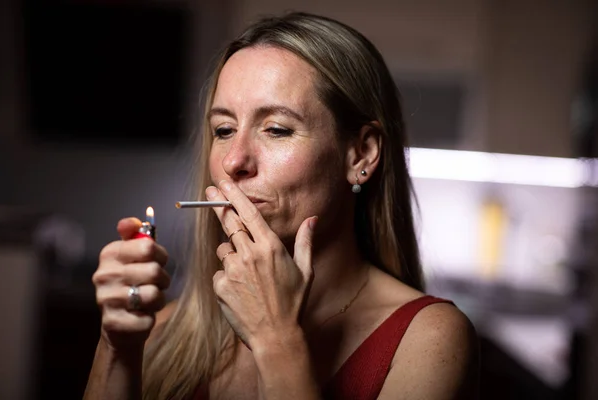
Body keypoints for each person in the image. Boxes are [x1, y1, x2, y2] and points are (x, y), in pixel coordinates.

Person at [84, 12, 479, 400]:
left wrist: (276, 339)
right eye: (224, 130)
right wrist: (115, 348)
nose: (234, 161)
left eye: (276, 129)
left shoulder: (429, 339)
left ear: (361, 154)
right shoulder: (164, 330)